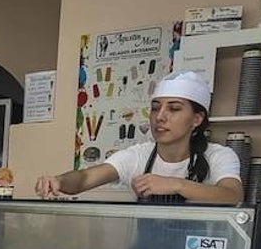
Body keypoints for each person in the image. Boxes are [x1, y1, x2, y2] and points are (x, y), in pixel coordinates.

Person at [34, 71, 242, 205]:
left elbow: (232, 195)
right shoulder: (138, 156)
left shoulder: (219, 156)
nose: (160, 117)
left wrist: (176, 185)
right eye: (155, 108)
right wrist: (59, 181)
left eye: (174, 108)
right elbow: (85, 178)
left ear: (197, 119)